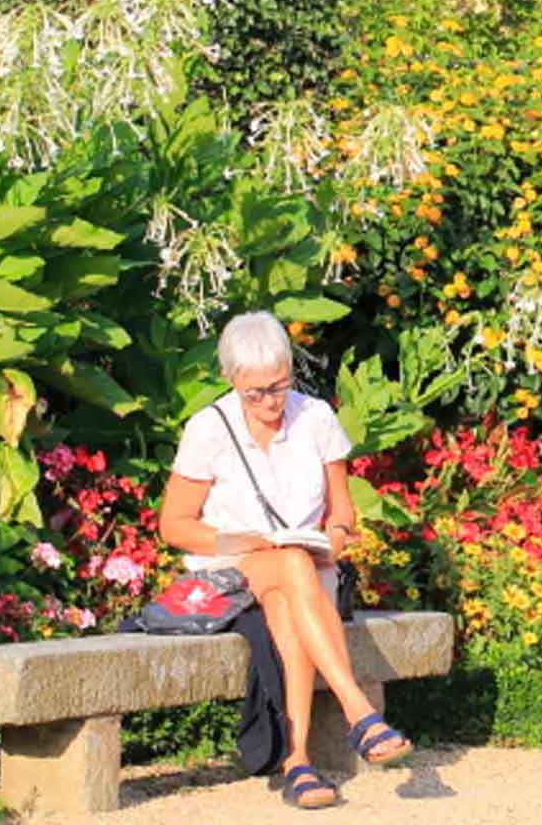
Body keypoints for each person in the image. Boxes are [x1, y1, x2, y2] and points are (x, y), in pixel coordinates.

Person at [160, 311, 413, 810]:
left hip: (306, 569)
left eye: (279, 385)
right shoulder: (208, 428)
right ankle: (358, 711)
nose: (271, 402)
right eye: (255, 392)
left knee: (290, 592)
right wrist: (245, 541)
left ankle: (297, 763)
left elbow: (342, 511)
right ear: (231, 378)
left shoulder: (315, 417)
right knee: (292, 567)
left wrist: (334, 538)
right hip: (232, 569)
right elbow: (175, 525)